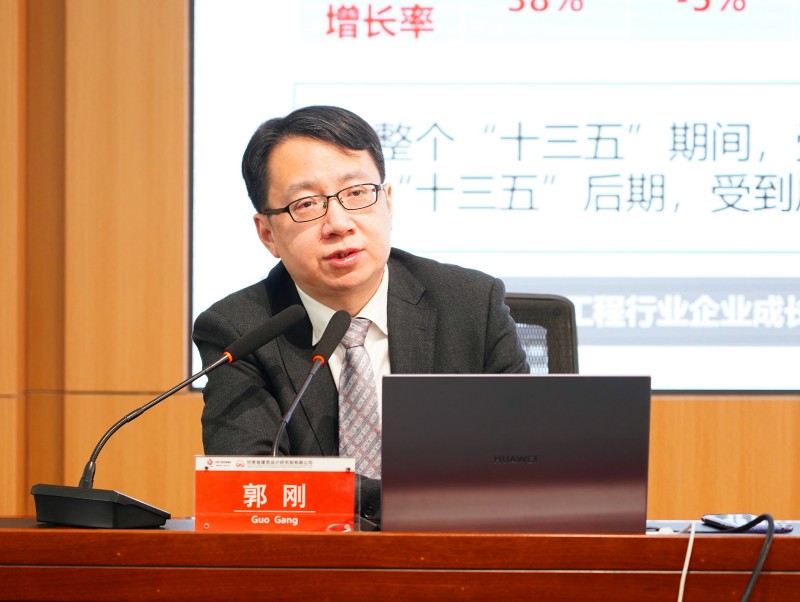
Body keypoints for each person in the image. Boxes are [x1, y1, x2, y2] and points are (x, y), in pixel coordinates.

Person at [193, 105, 529, 527]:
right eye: (306, 204)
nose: (338, 223)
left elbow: (523, 460)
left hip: (458, 551)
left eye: (356, 193)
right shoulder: (239, 330)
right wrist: (416, 499)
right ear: (267, 234)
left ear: (387, 202)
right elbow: (250, 483)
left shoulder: (471, 304)